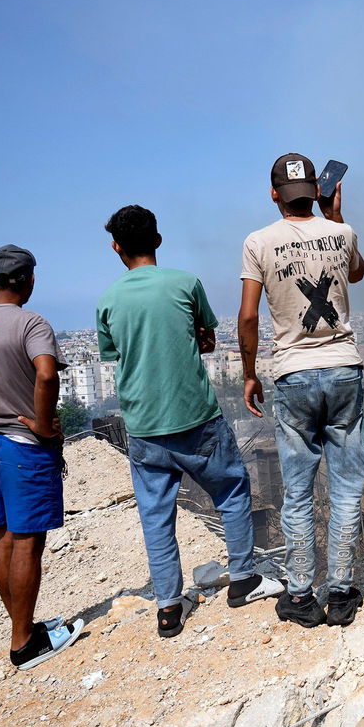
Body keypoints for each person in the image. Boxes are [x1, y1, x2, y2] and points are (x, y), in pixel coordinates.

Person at [97, 205, 282, 638]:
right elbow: (208, 338)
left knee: (157, 517)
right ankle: (242, 579)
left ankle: (167, 607)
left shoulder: (108, 299)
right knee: (232, 489)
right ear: (157, 240)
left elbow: (116, 355)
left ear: (115, 247)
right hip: (196, 417)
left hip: (144, 425)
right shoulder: (186, 283)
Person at [239, 153, 364, 628]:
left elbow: (249, 316)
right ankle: (340, 591)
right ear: (318, 191)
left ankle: (300, 594)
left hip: (293, 372)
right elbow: (355, 273)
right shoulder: (344, 232)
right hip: (343, 368)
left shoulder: (258, 242)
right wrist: (336, 219)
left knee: (297, 492)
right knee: (347, 488)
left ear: (274, 194)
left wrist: (251, 372)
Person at [0, 245, 84, 670]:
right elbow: (46, 374)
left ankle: (22, 628)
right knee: (29, 541)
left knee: (4, 538)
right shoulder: (32, 323)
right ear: (29, 280)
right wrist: (44, 425)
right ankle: (23, 643)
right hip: (23, 446)